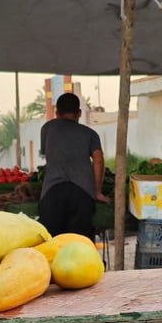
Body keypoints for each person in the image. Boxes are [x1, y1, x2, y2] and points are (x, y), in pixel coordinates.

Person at [38, 92, 109, 238]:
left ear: (57, 113)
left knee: (51, 242)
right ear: (79, 113)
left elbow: (47, 155)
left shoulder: (47, 128)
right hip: (82, 194)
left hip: (52, 193)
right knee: (80, 243)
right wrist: (97, 191)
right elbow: (99, 159)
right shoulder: (90, 134)